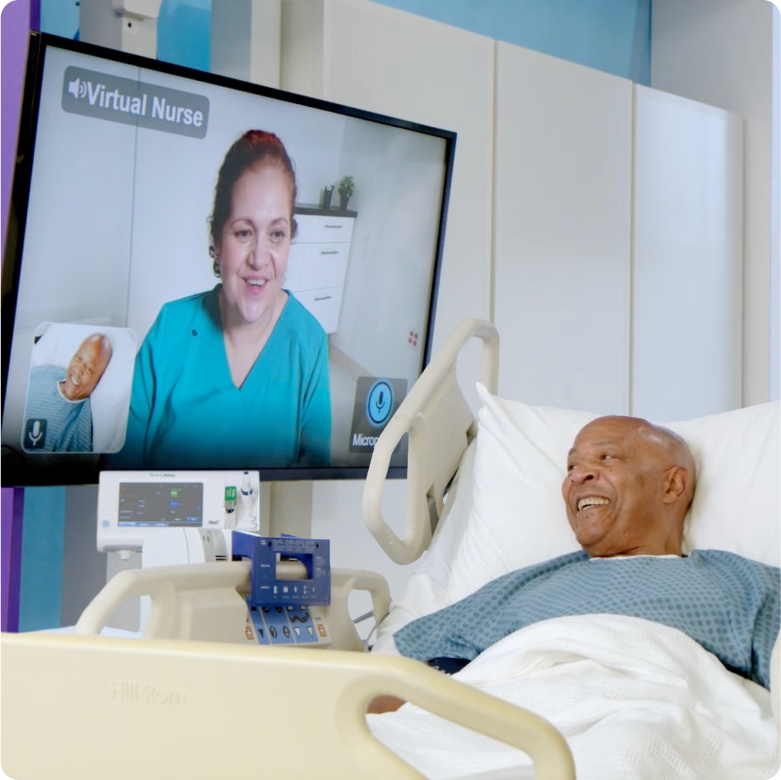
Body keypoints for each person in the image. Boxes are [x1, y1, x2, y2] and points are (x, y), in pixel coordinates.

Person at [369, 415, 781, 713]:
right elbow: (400, 672)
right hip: (498, 732)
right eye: (572, 466)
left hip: (648, 728)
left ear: (672, 484)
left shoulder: (740, 582)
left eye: (607, 458)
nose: (579, 476)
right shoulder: (523, 585)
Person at [118, 130, 331, 469]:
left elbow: (311, 488)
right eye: (244, 233)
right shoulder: (169, 329)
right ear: (217, 240)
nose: (260, 259)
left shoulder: (309, 343)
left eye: (276, 234)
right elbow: (117, 479)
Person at [22, 333, 113, 452]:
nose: (78, 369)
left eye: (89, 368)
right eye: (78, 358)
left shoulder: (80, 427)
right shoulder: (45, 372)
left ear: (99, 379)